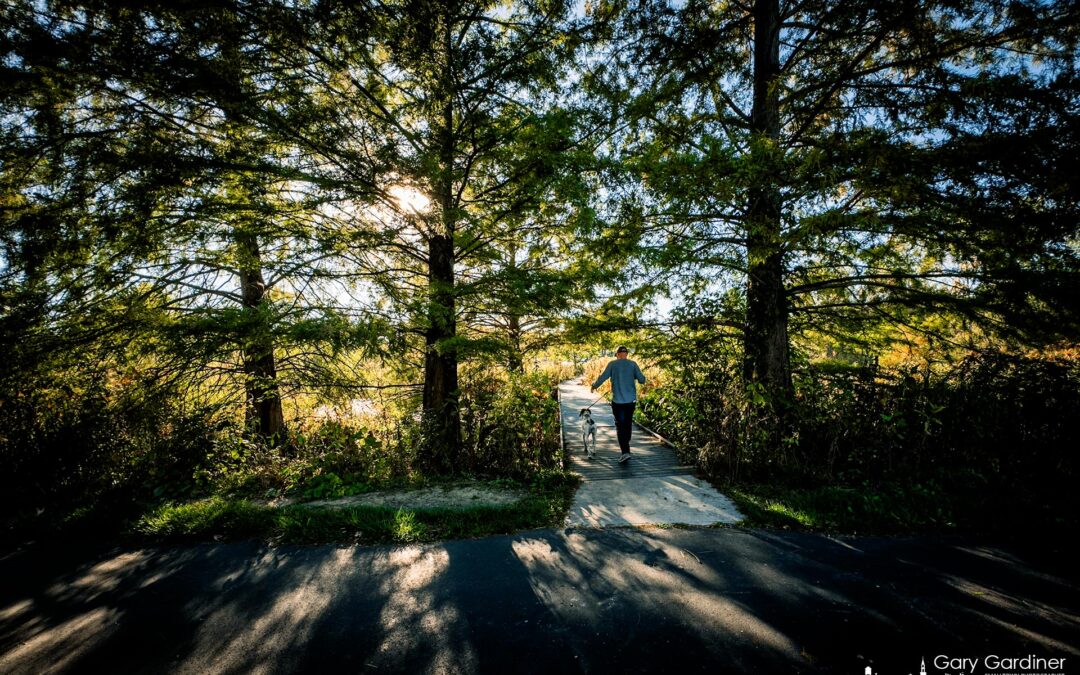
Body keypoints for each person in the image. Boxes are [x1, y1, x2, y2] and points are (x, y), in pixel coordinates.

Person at [590, 345, 646, 463]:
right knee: (627, 423)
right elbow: (642, 380)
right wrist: (635, 377)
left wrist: (594, 386)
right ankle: (626, 446)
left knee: (620, 426)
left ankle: (625, 451)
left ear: (617, 354)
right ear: (626, 354)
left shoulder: (612, 364)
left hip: (618, 402)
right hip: (631, 401)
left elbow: (603, 377)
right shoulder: (633, 364)